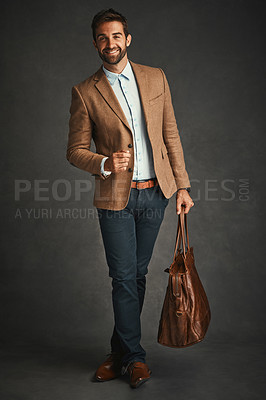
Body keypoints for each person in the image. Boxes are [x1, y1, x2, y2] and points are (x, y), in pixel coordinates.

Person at [66, 8, 194, 389]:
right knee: (122, 277)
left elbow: (170, 134)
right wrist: (104, 162)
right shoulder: (85, 92)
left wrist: (182, 186)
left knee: (136, 277)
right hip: (115, 198)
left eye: (117, 36)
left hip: (155, 194)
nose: (111, 44)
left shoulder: (156, 78)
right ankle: (136, 358)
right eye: (103, 38)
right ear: (95, 44)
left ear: (128, 39)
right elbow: (74, 151)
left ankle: (118, 352)